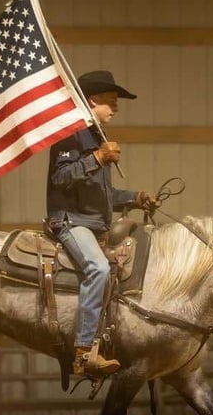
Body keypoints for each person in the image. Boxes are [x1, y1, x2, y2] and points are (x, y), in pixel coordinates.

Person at [45, 70, 159, 378]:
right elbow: (61, 178)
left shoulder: (96, 136)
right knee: (98, 267)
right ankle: (83, 353)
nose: (115, 108)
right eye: (110, 101)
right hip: (70, 221)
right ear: (92, 101)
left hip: (92, 222)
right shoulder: (70, 133)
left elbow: (103, 194)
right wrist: (97, 157)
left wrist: (135, 198)